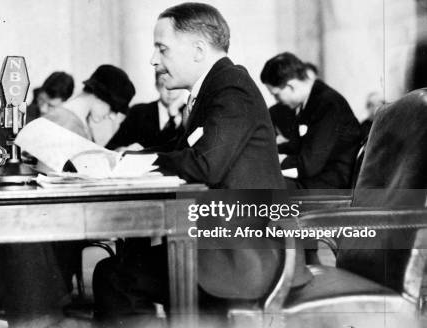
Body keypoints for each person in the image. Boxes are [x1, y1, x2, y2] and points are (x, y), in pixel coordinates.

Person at [93, 3, 310, 325]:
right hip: (227, 246)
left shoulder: (230, 86)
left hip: (245, 260)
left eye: (162, 48)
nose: (154, 60)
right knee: (123, 267)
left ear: (197, 50)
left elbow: (206, 164)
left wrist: (136, 160)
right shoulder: (216, 86)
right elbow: (180, 150)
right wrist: (123, 158)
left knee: (114, 275)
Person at [260, 52, 362, 189]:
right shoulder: (311, 101)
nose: (277, 101)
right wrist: (262, 152)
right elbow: (295, 147)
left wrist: (272, 161)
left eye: (276, 95)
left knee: (260, 185)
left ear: (291, 86)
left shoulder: (328, 103)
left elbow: (308, 165)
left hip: (332, 185)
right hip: (317, 178)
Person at [44, 64, 135, 146]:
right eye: (113, 109)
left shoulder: (76, 120)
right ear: (100, 97)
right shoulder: (68, 123)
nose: (112, 117)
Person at [105, 71, 186, 152]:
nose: (170, 92)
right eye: (165, 86)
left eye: (176, 87)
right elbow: (110, 148)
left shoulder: (190, 113)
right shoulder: (138, 112)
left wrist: (174, 116)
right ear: (157, 86)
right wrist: (123, 150)